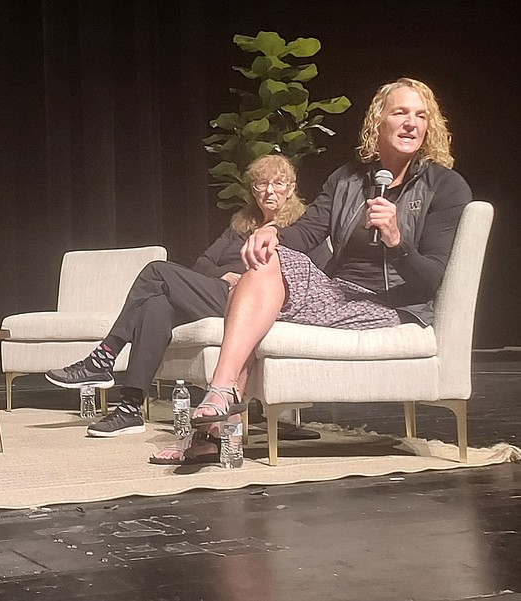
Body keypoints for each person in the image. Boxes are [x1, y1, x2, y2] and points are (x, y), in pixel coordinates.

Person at [152, 76, 472, 464]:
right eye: (400, 112)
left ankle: (213, 428)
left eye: (421, 116)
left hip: (393, 307)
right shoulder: (348, 179)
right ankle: (221, 406)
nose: (411, 123)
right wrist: (270, 231)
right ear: (379, 121)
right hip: (337, 294)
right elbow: (307, 231)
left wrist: (397, 241)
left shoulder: (446, 187)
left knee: (247, 297)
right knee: (265, 260)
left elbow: (437, 279)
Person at [46, 153, 308, 440]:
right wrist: (223, 274)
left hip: (256, 305)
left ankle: (103, 357)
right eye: (261, 184)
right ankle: (129, 409)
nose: (269, 191)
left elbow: (305, 272)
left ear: (291, 187)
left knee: (156, 271)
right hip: (220, 291)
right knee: (156, 304)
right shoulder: (241, 225)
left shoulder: (300, 227)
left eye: (278, 184)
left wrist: (248, 281)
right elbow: (204, 263)